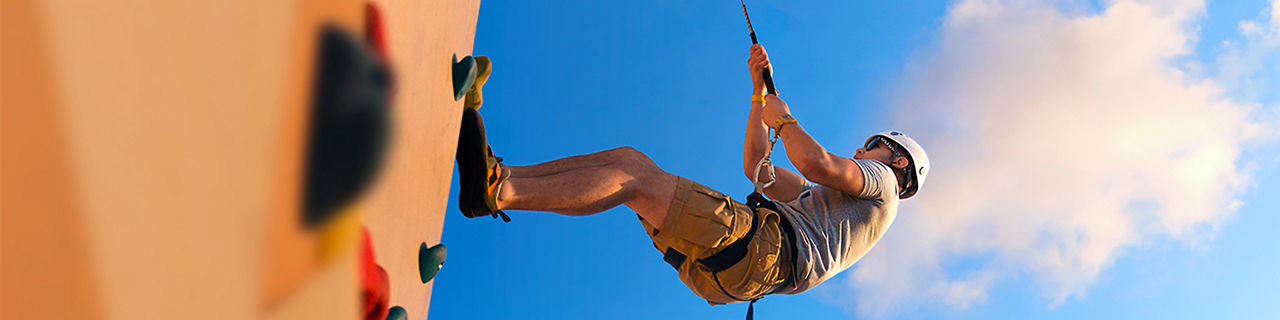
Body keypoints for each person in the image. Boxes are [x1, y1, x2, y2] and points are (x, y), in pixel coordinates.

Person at [453, 44, 930, 305]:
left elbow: (816, 162)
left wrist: (785, 120)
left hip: (764, 250)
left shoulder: (882, 185)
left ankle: (499, 190)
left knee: (635, 176)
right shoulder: (817, 205)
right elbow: (757, 170)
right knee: (630, 164)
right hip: (733, 275)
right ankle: (499, 177)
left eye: (871, 146)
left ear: (898, 159)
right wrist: (759, 96)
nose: (861, 150)